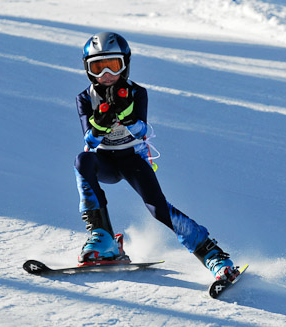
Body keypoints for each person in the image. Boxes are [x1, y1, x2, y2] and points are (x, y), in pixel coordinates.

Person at [73, 31, 239, 281]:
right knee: (82, 161)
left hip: (131, 159)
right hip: (104, 161)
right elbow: (89, 142)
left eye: (113, 65)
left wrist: (128, 118)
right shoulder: (85, 98)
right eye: (97, 67)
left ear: (125, 65)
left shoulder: (136, 92)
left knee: (157, 208)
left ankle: (213, 254)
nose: (106, 74)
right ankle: (103, 237)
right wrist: (101, 124)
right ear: (87, 70)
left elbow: (143, 131)